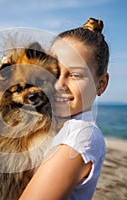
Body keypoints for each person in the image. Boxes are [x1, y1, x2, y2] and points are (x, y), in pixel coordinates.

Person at [19, 18, 110, 200]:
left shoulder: (81, 135)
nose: (59, 85)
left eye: (75, 75)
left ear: (101, 84)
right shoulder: (53, 127)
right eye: (53, 72)